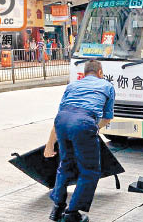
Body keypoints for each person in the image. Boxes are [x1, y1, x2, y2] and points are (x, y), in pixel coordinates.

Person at [44, 60, 115, 222]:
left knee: (65, 165)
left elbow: (61, 115)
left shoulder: (72, 86)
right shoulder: (107, 86)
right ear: (100, 73)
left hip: (62, 121)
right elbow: (107, 118)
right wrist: (92, 128)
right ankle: (72, 213)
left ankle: (57, 208)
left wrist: (50, 144)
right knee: (90, 171)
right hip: (83, 122)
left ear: (83, 74)